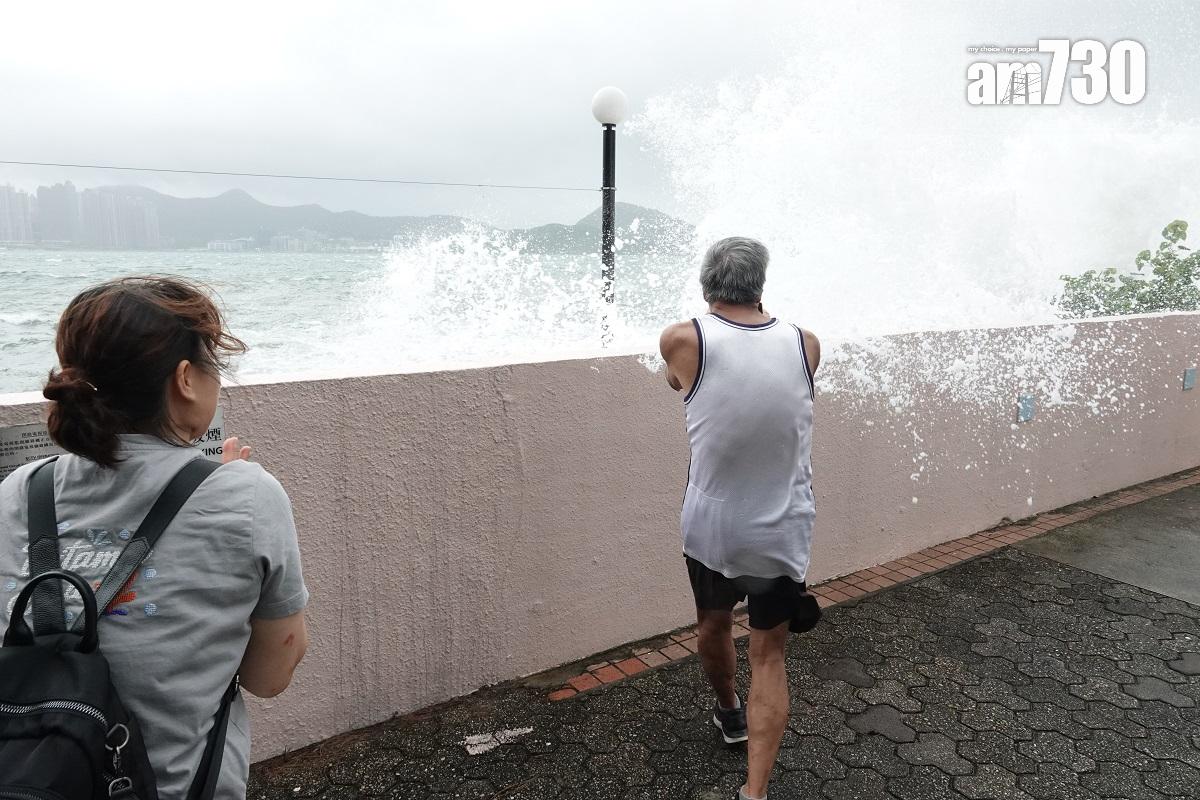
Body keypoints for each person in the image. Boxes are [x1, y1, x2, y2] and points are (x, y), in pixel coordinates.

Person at [0, 277, 309, 799]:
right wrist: (225, 491)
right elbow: (269, 677)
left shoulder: (19, 492)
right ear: (185, 378)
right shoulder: (249, 497)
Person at [659, 238, 820, 800]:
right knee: (769, 655)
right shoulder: (805, 343)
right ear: (761, 285)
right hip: (781, 526)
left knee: (712, 624)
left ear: (707, 286)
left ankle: (729, 712)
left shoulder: (683, 339)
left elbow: (678, 383)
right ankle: (755, 793)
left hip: (713, 526)